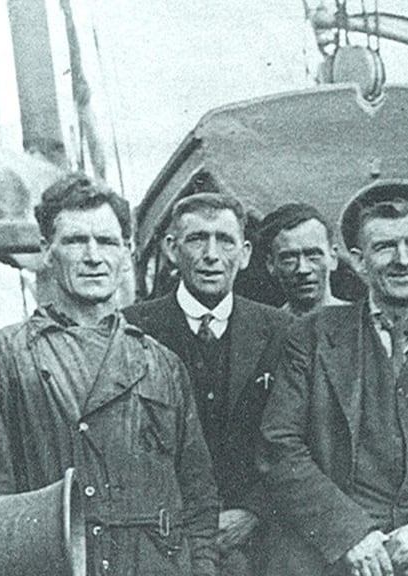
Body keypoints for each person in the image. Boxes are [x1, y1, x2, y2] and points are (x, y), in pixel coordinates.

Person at [0, 173, 219, 575]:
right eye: (76, 241)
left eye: (108, 242)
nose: (94, 256)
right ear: (47, 250)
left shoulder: (162, 364)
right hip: (56, 564)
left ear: (127, 252)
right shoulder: (6, 357)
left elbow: (198, 497)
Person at [260, 181, 408, 576]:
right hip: (331, 560)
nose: (403, 259)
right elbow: (279, 446)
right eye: (385, 247)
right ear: (358, 261)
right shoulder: (311, 336)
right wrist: (348, 534)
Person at [123, 192, 291, 575]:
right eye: (197, 239)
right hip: (164, 539)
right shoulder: (132, 328)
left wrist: (254, 511)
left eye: (225, 240)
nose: (211, 255)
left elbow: (298, 436)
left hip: (257, 541)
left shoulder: (280, 330)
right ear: (171, 249)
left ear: (245, 254)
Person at [259, 202, 349, 315]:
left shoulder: (362, 321)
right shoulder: (265, 325)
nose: (302, 269)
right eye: (289, 258)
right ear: (271, 264)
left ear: (333, 258)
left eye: (313, 255)